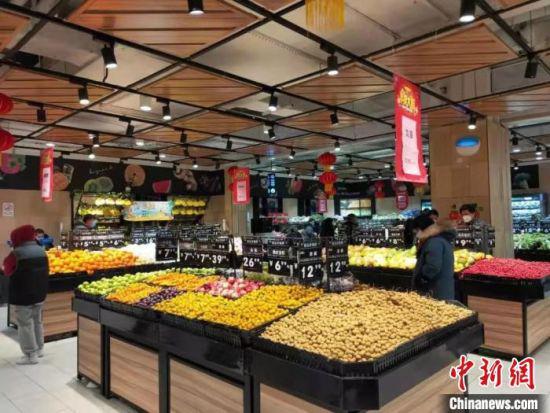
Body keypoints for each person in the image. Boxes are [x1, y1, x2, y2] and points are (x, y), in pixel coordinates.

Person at [2, 225, 49, 365]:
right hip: (39, 292)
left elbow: (7, 270)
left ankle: (30, 355)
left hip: (22, 294)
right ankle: (40, 349)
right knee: (38, 321)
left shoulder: (16, 254)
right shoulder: (41, 250)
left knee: (25, 324)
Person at [411, 214, 456, 301]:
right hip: (441, 288)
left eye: (416, 230)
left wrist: (422, 278)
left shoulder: (434, 242)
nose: (416, 234)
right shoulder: (439, 239)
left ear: (423, 229)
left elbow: (433, 266)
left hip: (436, 290)